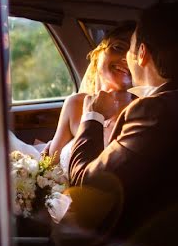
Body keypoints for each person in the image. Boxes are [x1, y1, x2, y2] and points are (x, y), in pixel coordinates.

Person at [68, 0, 178, 238]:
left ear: (141, 54)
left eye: (129, 48)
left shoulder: (155, 112)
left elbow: (85, 185)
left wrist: (92, 116)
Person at [47, 25, 135, 169]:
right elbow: (50, 166)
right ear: (100, 52)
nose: (126, 58)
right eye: (119, 47)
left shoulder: (139, 113)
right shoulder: (74, 103)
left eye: (134, 54)